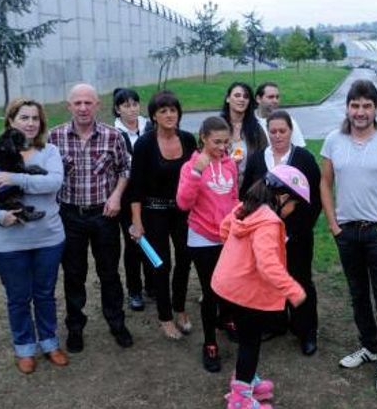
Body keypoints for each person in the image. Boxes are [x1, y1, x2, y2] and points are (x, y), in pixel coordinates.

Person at [320, 79, 377, 395]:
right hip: (347, 233)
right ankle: (368, 347)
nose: (360, 112)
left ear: (376, 108)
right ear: (348, 107)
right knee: (358, 296)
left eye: (367, 106)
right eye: (355, 105)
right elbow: (325, 183)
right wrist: (334, 225)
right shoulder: (334, 139)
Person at [0, 98, 68, 374]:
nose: (30, 123)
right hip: (8, 243)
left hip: (47, 238)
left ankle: (49, 343)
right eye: (24, 118)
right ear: (11, 121)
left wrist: (15, 179)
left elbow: (54, 182)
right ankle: (24, 348)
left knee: (45, 294)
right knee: (18, 297)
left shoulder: (49, 152)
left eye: (35, 118)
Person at [213, 165, 310, 409]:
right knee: (250, 342)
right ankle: (240, 398)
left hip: (227, 286)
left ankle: (245, 378)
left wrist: (239, 256)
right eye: (293, 205)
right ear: (283, 196)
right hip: (246, 292)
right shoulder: (269, 222)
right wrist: (294, 290)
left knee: (246, 338)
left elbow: (224, 230)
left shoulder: (244, 209)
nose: (291, 211)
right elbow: (268, 265)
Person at [48, 83, 133, 353]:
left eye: (88, 103)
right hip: (70, 216)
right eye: (78, 103)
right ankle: (75, 326)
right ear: (69, 106)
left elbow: (125, 169)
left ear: (97, 105)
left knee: (109, 272)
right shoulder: (54, 137)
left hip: (104, 215)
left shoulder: (113, 136)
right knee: (74, 274)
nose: (83, 108)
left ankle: (116, 322)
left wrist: (117, 195)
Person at [240, 110, 322, 355]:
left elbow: (314, 199)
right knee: (269, 280)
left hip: (296, 236)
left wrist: (295, 229)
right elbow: (246, 195)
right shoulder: (257, 159)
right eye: (272, 131)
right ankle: (275, 323)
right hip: (265, 236)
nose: (277, 136)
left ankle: (306, 330)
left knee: (299, 279)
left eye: (282, 131)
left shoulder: (303, 159)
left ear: (290, 131)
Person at [128, 91, 196, 339]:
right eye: (163, 111)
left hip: (182, 212)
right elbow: (135, 186)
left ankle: (180, 309)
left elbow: (197, 175)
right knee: (160, 264)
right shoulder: (144, 143)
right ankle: (165, 316)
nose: (169, 115)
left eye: (173, 110)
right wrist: (136, 222)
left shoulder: (188, 140)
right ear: (154, 116)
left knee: (185, 260)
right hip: (153, 212)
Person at [176, 116, 239, 373]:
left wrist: (237, 222)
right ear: (203, 137)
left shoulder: (230, 164)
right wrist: (197, 172)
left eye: (226, 142)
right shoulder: (190, 166)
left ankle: (227, 319)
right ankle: (210, 343)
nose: (222, 147)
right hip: (202, 237)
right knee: (210, 291)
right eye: (216, 142)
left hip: (227, 236)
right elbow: (183, 203)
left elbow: (233, 197)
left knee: (229, 285)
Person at [112, 87, 154, 311]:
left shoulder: (149, 127)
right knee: (133, 242)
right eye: (126, 105)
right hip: (127, 195)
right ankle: (134, 290)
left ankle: (152, 284)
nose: (132, 109)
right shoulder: (113, 133)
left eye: (135, 104)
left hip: (150, 194)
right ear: (118, 109)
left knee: (151, 239)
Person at [220, 82, 267, 185]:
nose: (242, 99)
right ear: (228, 99)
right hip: (221, 185)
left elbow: (265, 159)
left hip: (249, 188)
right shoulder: (217, 127)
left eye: (246, 97)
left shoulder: (256, 130)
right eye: (237, 95)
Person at [253, 82, 305, 148]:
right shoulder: (248, 120)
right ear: (258, 99)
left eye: (277, 97)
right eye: (270, 97)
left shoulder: (287, 121)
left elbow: (300, 149)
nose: (275, 101)